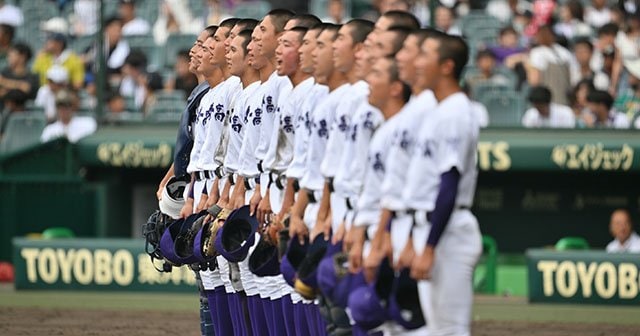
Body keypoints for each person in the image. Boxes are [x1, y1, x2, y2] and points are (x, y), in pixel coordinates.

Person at [400, 31, 481, 336]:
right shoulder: (437, 109)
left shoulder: (457, 112)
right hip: (430, 226)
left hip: (448, 231)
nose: (418, 63)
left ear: (446, 66)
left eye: (425, 56)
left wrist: (429, 246)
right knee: (434, 329)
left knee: (449, 330)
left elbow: (449, 183)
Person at [527, 25, 575, 105]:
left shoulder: (537, 53)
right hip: (563, 100)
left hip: (546, 101)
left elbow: (534, 81)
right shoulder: (565, 53)